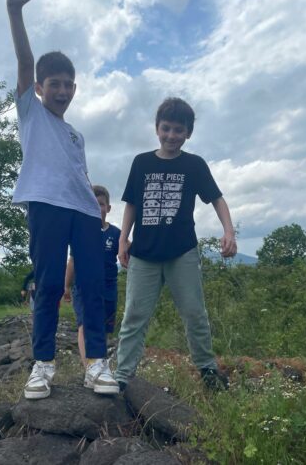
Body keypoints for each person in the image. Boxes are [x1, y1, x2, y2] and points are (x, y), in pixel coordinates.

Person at [6, 0, 118, 399]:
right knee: (50, 284)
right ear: (39, 88)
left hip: (85, 212)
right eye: (55, 83)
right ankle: (43, 366)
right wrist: (15, 11)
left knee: (92, 285)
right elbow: (24, 61)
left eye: (69, 84)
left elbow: (80, 176)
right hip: (46, 205)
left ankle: (96, 364)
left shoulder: (76, 135)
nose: (63, 91)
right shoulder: (31, 114)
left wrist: (98, 208)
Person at [115, 97, 237, 391]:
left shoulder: (194, 165)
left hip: (182, 252)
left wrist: (229, 231)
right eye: (166, 128)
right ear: (157, 128)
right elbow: (132, 204)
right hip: (144, 253)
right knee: (134, 316)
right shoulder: (141, 162)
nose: (171, 136)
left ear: (188, 133)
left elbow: (217, 198)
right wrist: (123, 239)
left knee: (194, 313)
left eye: (179, 130)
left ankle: (208, 371)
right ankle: (122, 377)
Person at [63, 185, 121, 367]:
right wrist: (66, 286)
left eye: (101, 204)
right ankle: (89, 367)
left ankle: (99, 363)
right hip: (83, 287)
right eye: (92, 204)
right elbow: (72, 261)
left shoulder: (116, 234)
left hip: (108, 288)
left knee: (103, 328)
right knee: (85, 325)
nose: (97, 208)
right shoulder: (80, 234)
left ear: (108, 208)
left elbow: (126, 253)